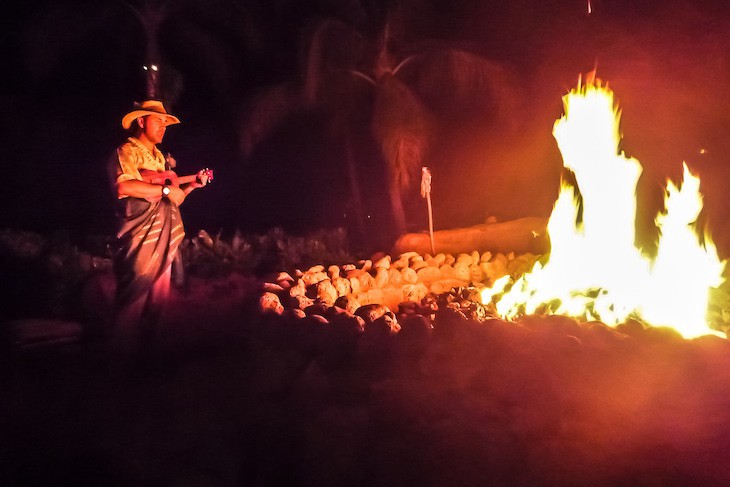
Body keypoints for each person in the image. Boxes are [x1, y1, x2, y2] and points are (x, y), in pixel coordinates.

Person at [109, 99, 209, 360]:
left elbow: (174, 197)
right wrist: (165, 188)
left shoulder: (160, 158)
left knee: (160, 300)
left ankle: (147, 361)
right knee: (135, 297)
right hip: (139, 233)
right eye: (158, 121)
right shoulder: (126, 151)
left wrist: (191, 186)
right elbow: (124, 187)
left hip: (164, 230)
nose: (164, 127)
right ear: (141, 121)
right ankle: (118, 365)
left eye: (166, 123)